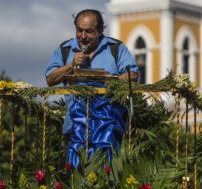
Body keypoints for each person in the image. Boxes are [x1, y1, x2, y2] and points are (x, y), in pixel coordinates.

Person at [45, 9, 138, 167]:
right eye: (79, 30)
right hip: (75, 128)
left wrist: (108, 84)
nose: (83, 36)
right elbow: (50, 78)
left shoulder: (116, 48)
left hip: (108, 127)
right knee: (77, 178)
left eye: (89, 31)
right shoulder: (65, 49)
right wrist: (71, 65)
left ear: (100, 30)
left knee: (107, 180)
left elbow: (133, 75)